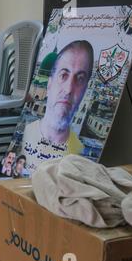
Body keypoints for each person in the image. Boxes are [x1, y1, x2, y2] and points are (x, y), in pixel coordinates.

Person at [21, 40, 94, 171]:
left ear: (85, 90)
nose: (69, 89)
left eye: (80, 78)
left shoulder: (80, 152)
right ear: (49, 84)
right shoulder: (24, 133)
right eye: (63, 75)